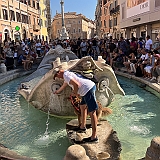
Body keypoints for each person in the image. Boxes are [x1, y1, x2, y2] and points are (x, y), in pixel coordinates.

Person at [54, 69, 99, 143]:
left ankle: (94, 137)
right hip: (86, 90)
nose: (58, 78)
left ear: (59, 72)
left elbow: (76, 85)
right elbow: (64, 85)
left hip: (88, 89)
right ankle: (82, 127)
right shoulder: (67, 74)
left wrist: (74, 93)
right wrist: (57, 91)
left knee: (92, 112)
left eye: (56, 76)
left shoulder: (66, 76)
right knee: (82, 106)